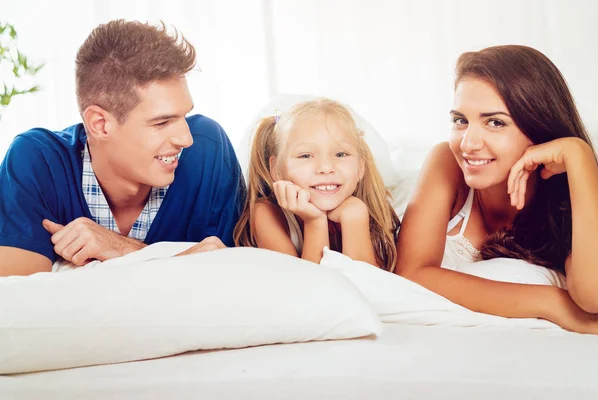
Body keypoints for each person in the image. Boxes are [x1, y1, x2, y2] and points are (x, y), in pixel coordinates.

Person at [0, 19, 246, 276]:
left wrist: (121, 249)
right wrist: (177, 261)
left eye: (183, 116)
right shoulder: (36, 161)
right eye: (162, 122)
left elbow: (231, 281)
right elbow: (19, 299)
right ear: (101, 124)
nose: (186, 139)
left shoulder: (208, 151)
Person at [396, 45, 598, 333]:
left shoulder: (567, 197)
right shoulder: (446, 162)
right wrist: (553, 303)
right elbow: (411, 274)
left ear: (540, 129)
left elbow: (594, 297)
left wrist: (579, 155)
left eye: (495, 122)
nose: (468, 143)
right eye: (460, 120)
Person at [233, 98, 399, 271]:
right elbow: (308, 291)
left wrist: (354, 218)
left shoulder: (368, 211)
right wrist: (314, 221)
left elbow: (369, 288)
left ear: (361, 167)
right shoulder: (267, 214)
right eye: (306, 156)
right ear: (276, 169)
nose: (326, 168)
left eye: (341, 154)